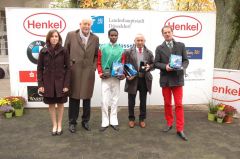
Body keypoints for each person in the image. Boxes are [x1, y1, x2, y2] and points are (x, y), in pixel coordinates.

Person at [154, 26, 189, 141]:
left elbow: (186, 60)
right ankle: (169, 123)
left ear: (172, 33)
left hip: (178, 79)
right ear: (163, 35)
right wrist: (165, 67)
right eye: (165, 33)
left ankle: (180, 129)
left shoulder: (181, 45)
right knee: (167, 103)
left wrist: (182, 68)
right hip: (166, 79)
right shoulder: (159, 48)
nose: (167, 34)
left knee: (179, 104)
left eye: (169, 32)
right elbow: (156, 63)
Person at [64, 18, 99, 133]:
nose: (86, 26)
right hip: (74, 71)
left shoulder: (95, 38)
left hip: (88, 71)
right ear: (80, 24)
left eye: (88, 24)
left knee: (87, 98)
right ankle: (72, 122)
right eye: (85, 24)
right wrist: (69, 66)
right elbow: (65, 52)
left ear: (90, 26)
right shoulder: (71, 35)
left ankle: (85, 121)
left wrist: (93, 67)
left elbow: (95, 55)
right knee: (74, 97)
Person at [37, 29, 70, 136]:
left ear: (59, 38)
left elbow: (68, 69)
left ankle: (60, 125)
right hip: (48, 83)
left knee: (60, 105)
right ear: (49, 38)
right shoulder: (43, 51)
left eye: (56, 36)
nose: (54, 38)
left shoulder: (64, 50)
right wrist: (41, 85)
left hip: (61, 83)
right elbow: (39, 69)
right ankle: (54, 125)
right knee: (51, 105)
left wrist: (66, 85)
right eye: (52, 36)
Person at [97, 28, 125, 132]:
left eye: (115, 35)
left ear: (117, 36)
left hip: (116, 78)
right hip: (106, 77)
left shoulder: (121, 49)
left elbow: (123, 63)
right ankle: (105, 122)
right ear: (108, 36)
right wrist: (100, 72)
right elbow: (99, 62)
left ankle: (114, 121)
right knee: (104, 100)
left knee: (115, 99)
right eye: (112, 35)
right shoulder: (102, 47)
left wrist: (122, 74)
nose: (113, 37)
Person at [124, 34, 154, 128]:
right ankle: (131, 119)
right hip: (132, 79)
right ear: (134, 41)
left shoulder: (149, 52)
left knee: (143, 101)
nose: (140, 42)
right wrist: (127, 75)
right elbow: (124, 64)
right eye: (138, 40)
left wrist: (150, 67)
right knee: (131, 101)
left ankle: (142, 119)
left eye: (142, 40)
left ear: (144, 41)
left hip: (144, 79)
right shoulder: (128, 52)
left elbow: (153, 64)